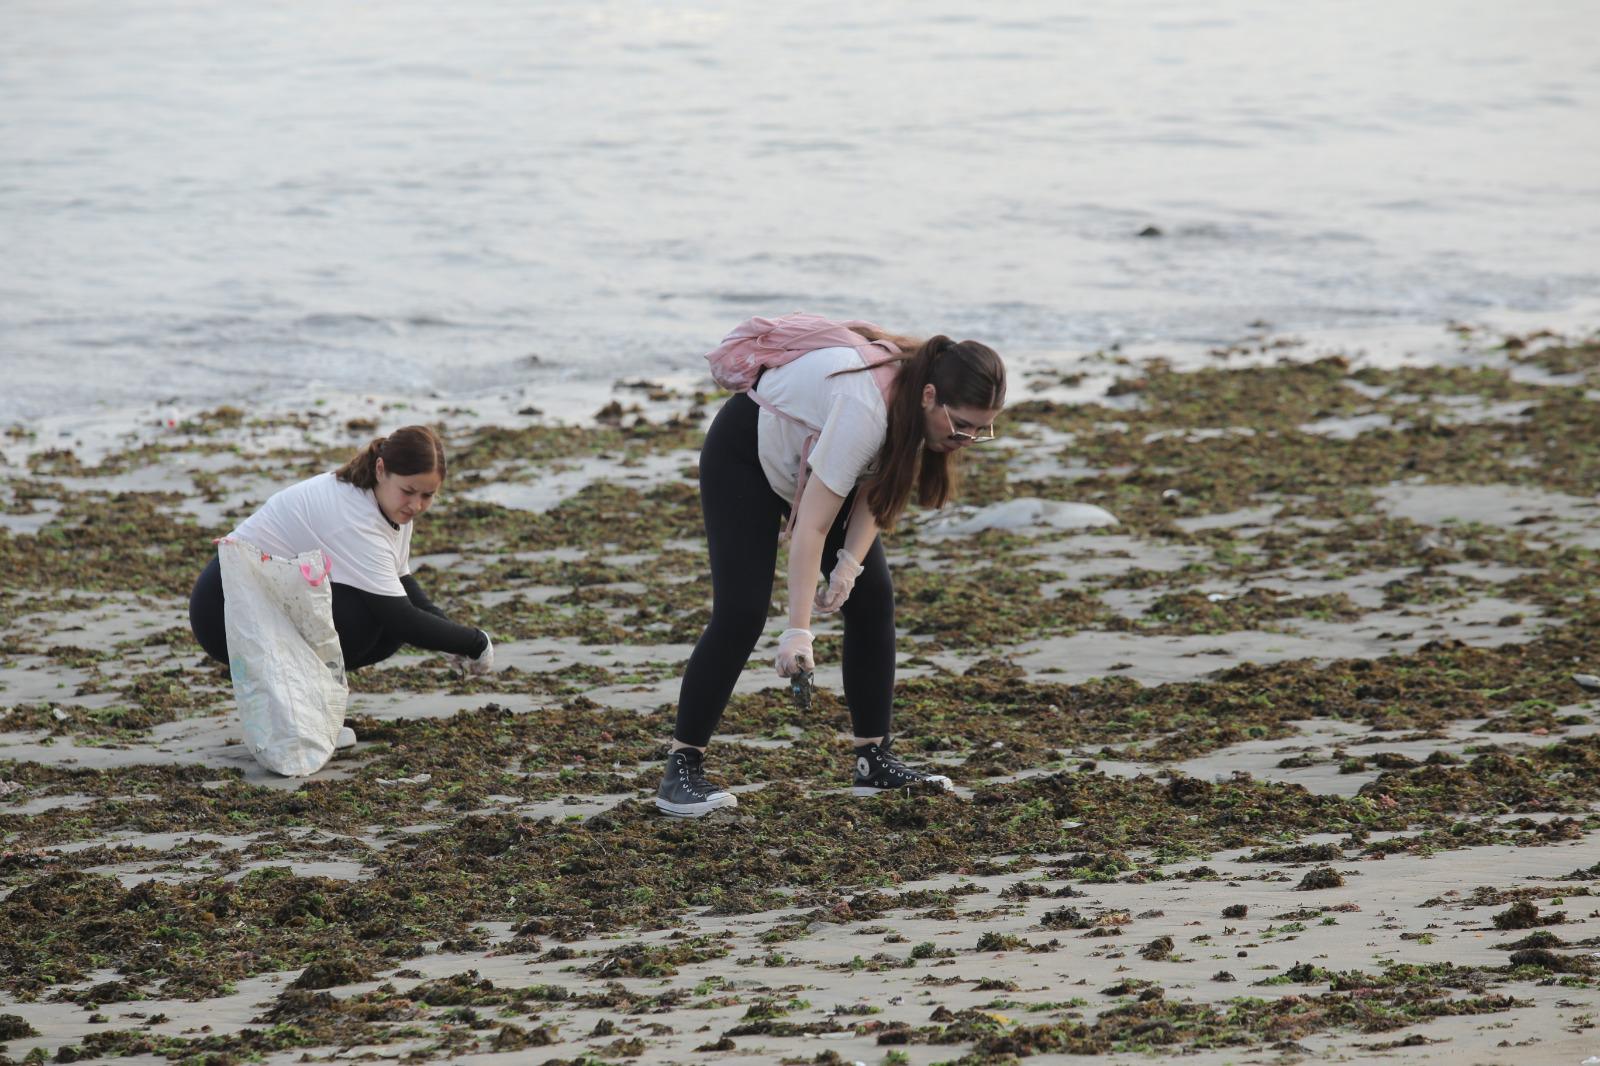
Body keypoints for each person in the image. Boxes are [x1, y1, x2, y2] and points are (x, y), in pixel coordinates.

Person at [657, 324, 1006, 816]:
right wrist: (798, 632)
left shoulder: (914, 407)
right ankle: (681, 769)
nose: (968, 439)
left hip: (813, 461)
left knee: (871, 595)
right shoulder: (865, 408)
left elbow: (876, 486)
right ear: (931, 397)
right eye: (963, 425)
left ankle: (873, 761)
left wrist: (848, 566)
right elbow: (812, 527)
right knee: (741, 612)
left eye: (981, 430)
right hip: (747, 456)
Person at [188, 425, 493, 746]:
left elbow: (402, 582)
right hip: (223, 607)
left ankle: (303, 711)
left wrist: (449, 640)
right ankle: (298, 719)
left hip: (269, 596)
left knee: (383, 621)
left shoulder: (386, 505)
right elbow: (403, 618)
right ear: (381, 470)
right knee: (372, 618)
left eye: (427, 495)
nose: (415, 505)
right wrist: (474, 642)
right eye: (409, 491)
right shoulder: (354, 516)